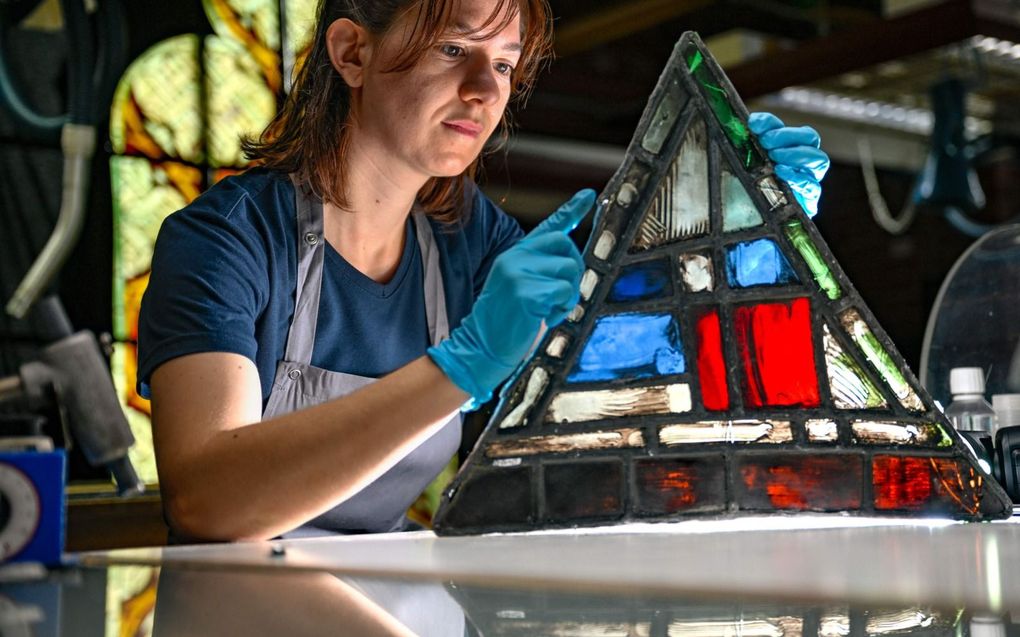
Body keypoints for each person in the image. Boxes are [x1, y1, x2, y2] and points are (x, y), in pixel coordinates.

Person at [138, 0, 830, 542]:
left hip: (387, 588)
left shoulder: (469, 243)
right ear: (353, 52)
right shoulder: (227, 240)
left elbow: (629, 371)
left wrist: (739, 232)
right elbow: (208, 500)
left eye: (503, 63)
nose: (483, 90)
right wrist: (459, 368)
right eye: (453, 50)